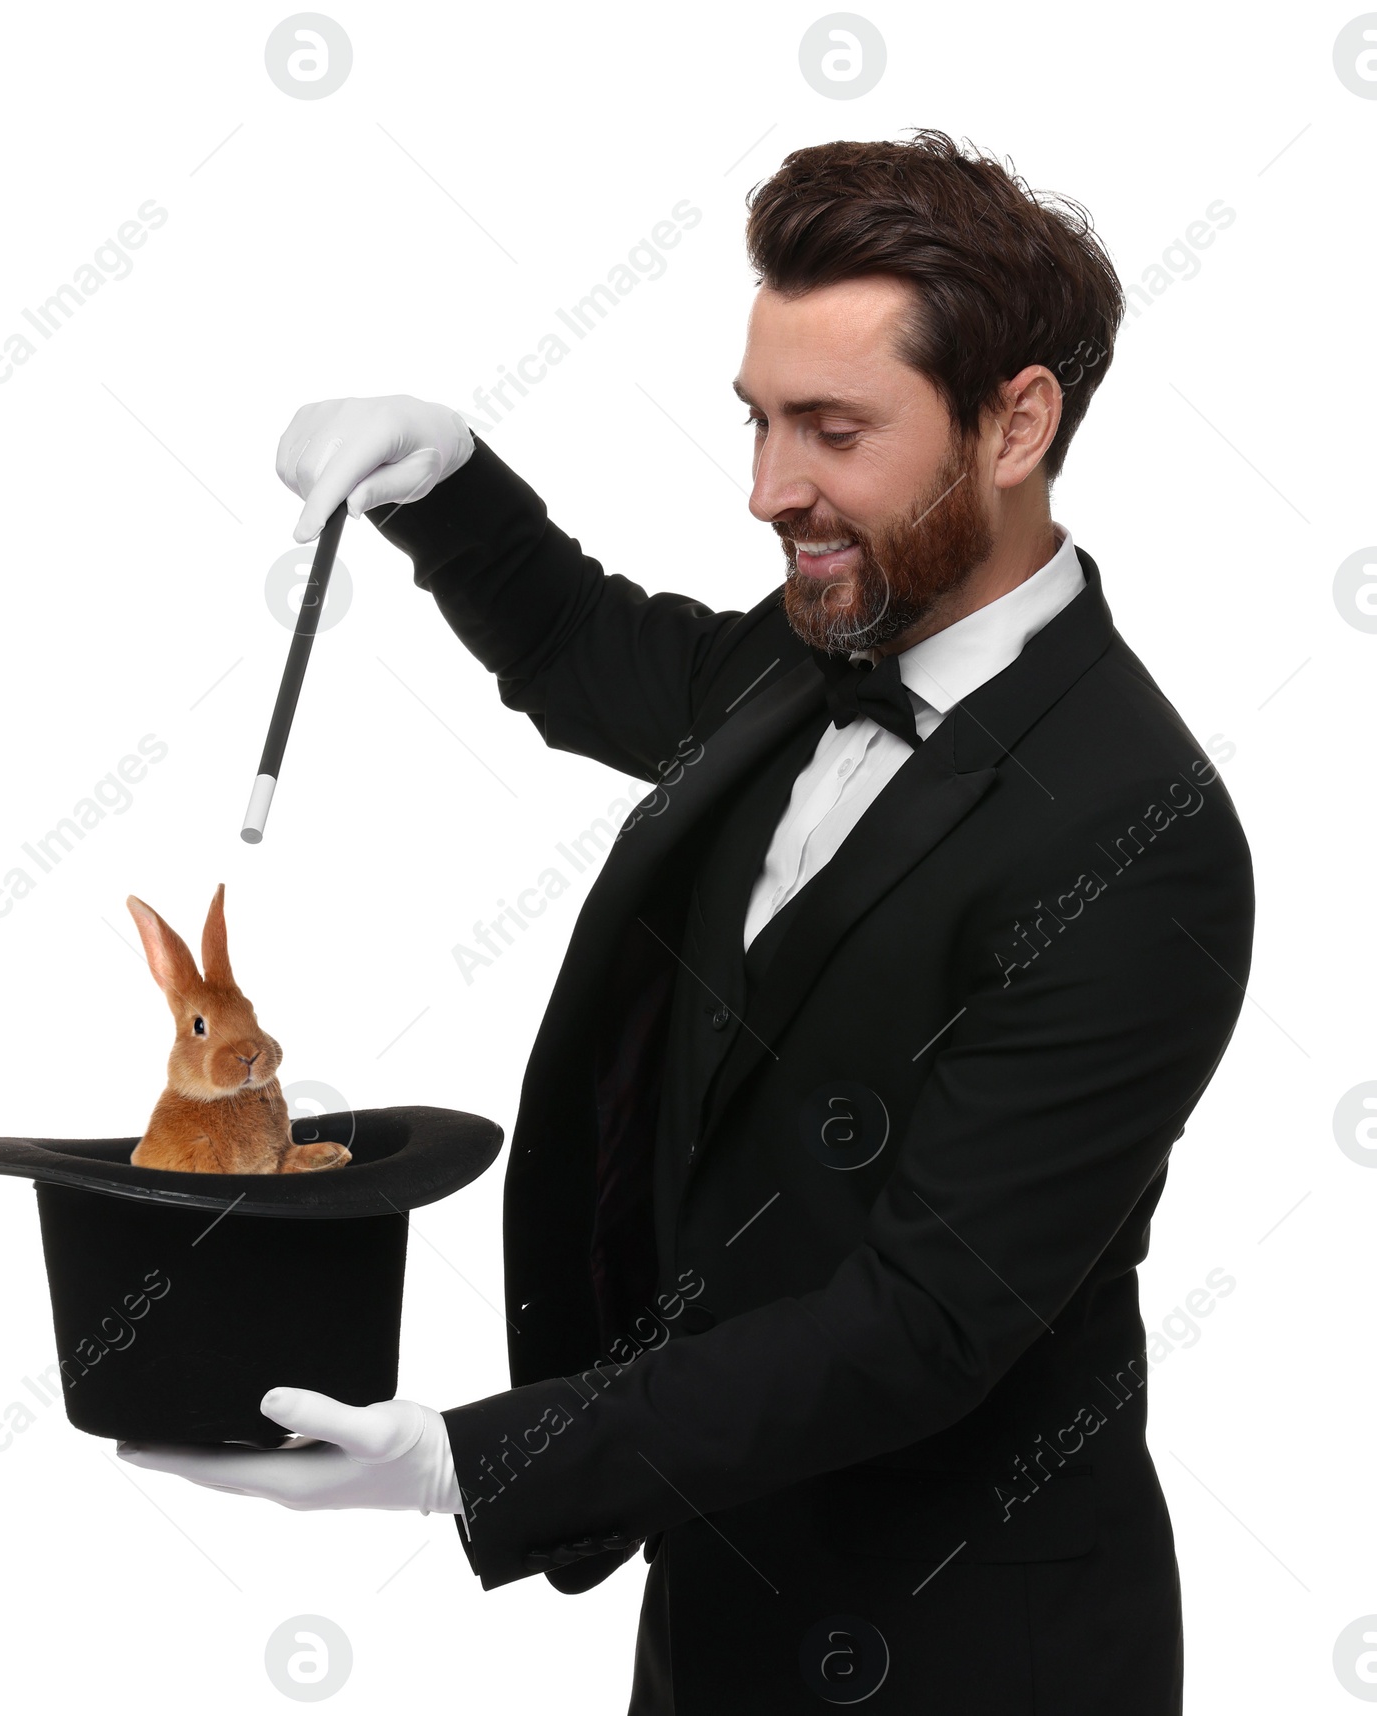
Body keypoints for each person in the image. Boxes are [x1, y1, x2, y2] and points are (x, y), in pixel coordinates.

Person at [122, 131, 1254, 1713]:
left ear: (1017, 423)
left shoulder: (1146, 837)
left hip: (971, 1646)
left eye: (833, 431)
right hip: (724, 1594)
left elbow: (925, 1323)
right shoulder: (806, 658)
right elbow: (591, 652)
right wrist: (444, 480)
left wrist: (474, 1462)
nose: (768, 490)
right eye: (760, 421)